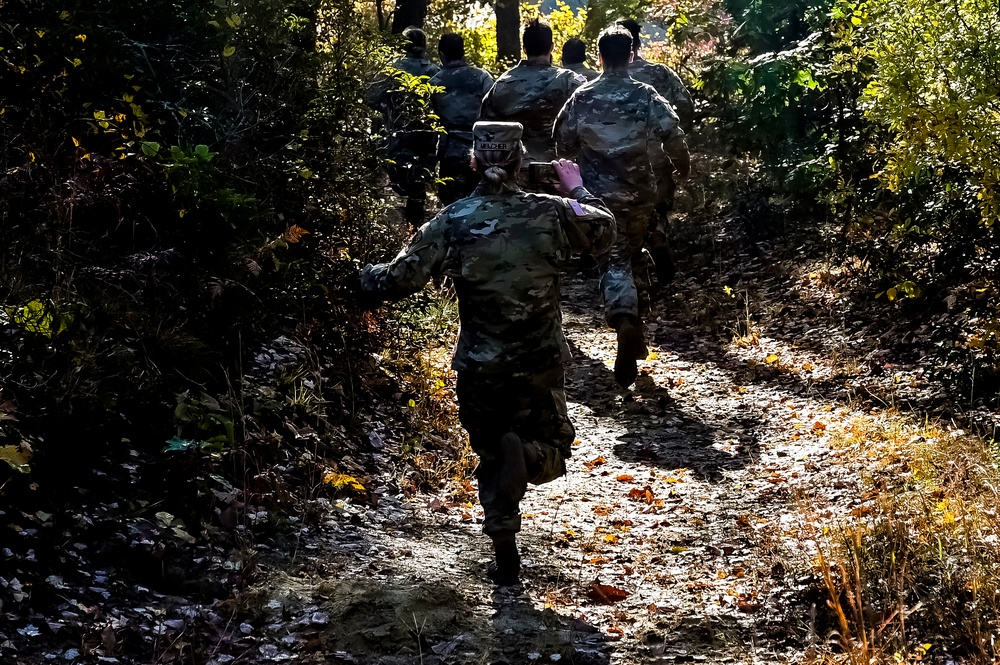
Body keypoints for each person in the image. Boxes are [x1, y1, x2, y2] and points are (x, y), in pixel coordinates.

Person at [359, 122, 615, 586]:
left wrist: (354, 274)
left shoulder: (453, 220)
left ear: (473, 162)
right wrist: (577, 186)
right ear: (520, 161)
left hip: (480, 364)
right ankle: (533, 458)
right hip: (539, 361)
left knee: (492, 454)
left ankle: (505, 551)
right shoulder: (554, 212)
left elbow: (397, 280)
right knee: (552, 446)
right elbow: (604, 231)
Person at [554, 25, 690, 388]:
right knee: (632, 254)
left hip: (597, 196)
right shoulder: (645, 94)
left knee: (613, 258)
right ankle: (635, 328)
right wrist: (684, 167)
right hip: (640, 193)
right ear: (630, 55)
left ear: (599, 56)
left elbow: (562, 143)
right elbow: (673, 134)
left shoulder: (582, 97)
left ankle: (625, 318)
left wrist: (574, 174)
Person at [617, 18, 695, 284]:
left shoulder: (603, 81)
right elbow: (685, 105)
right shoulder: (661, 73)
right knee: (656, 209)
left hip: (617, 159)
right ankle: (658, 238)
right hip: (657, 157)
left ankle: (631, 269)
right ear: (637, 43)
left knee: (624, 214)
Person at [479, 19, 587, 180]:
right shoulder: (570, 82)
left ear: (524, 49)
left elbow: (486, 128)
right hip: (559, 175)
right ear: (552, 47)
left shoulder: (502, 84)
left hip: (513, 174)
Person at [367, 27, 441, 227]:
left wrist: (388, 107)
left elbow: (371, 98)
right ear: (424, 46)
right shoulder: (434, 71)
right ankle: (414, 221)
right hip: (427, 134)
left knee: (400, 178)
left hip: (399, 132)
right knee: (419, 177)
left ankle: (410, 223)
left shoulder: (392, 69)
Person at [430, 34, 495, 206]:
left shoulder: (434, 82)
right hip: (482, 148)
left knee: (452, 204)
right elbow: (495, 110)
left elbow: (430, 121)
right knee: (481, 201)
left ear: (441, 55)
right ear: (463, 52)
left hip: (450, 151)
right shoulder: (482, 77)